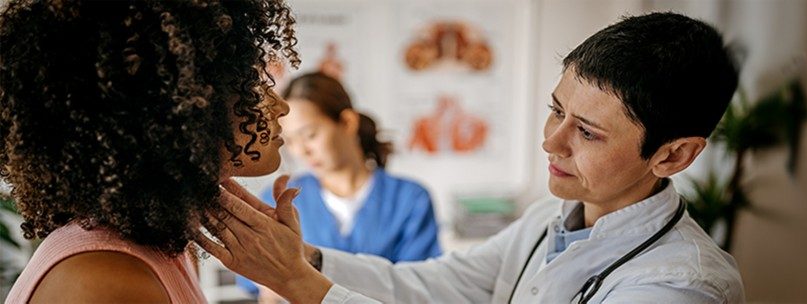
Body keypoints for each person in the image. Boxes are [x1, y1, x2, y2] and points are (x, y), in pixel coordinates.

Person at [201, 12, 744, 303]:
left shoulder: (679, 286)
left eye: (588, 133)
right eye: (556, 111)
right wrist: (309, 261)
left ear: (673, 156)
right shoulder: (545, 220)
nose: (551, 142)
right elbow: (438, 286)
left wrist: (301, 286)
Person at [0, 0, 298, 303]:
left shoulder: (157, 248)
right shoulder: (109, 279)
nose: (280, 107)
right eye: (252, 85)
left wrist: (294, 274)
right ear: (180, 109)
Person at [237, 72, 443, 301]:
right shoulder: (280, 199)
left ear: (347, 122)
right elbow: (260, 284)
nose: (302, 151)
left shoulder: (409, 199)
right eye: (291, 141)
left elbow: (419, 287)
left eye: (310, 135)